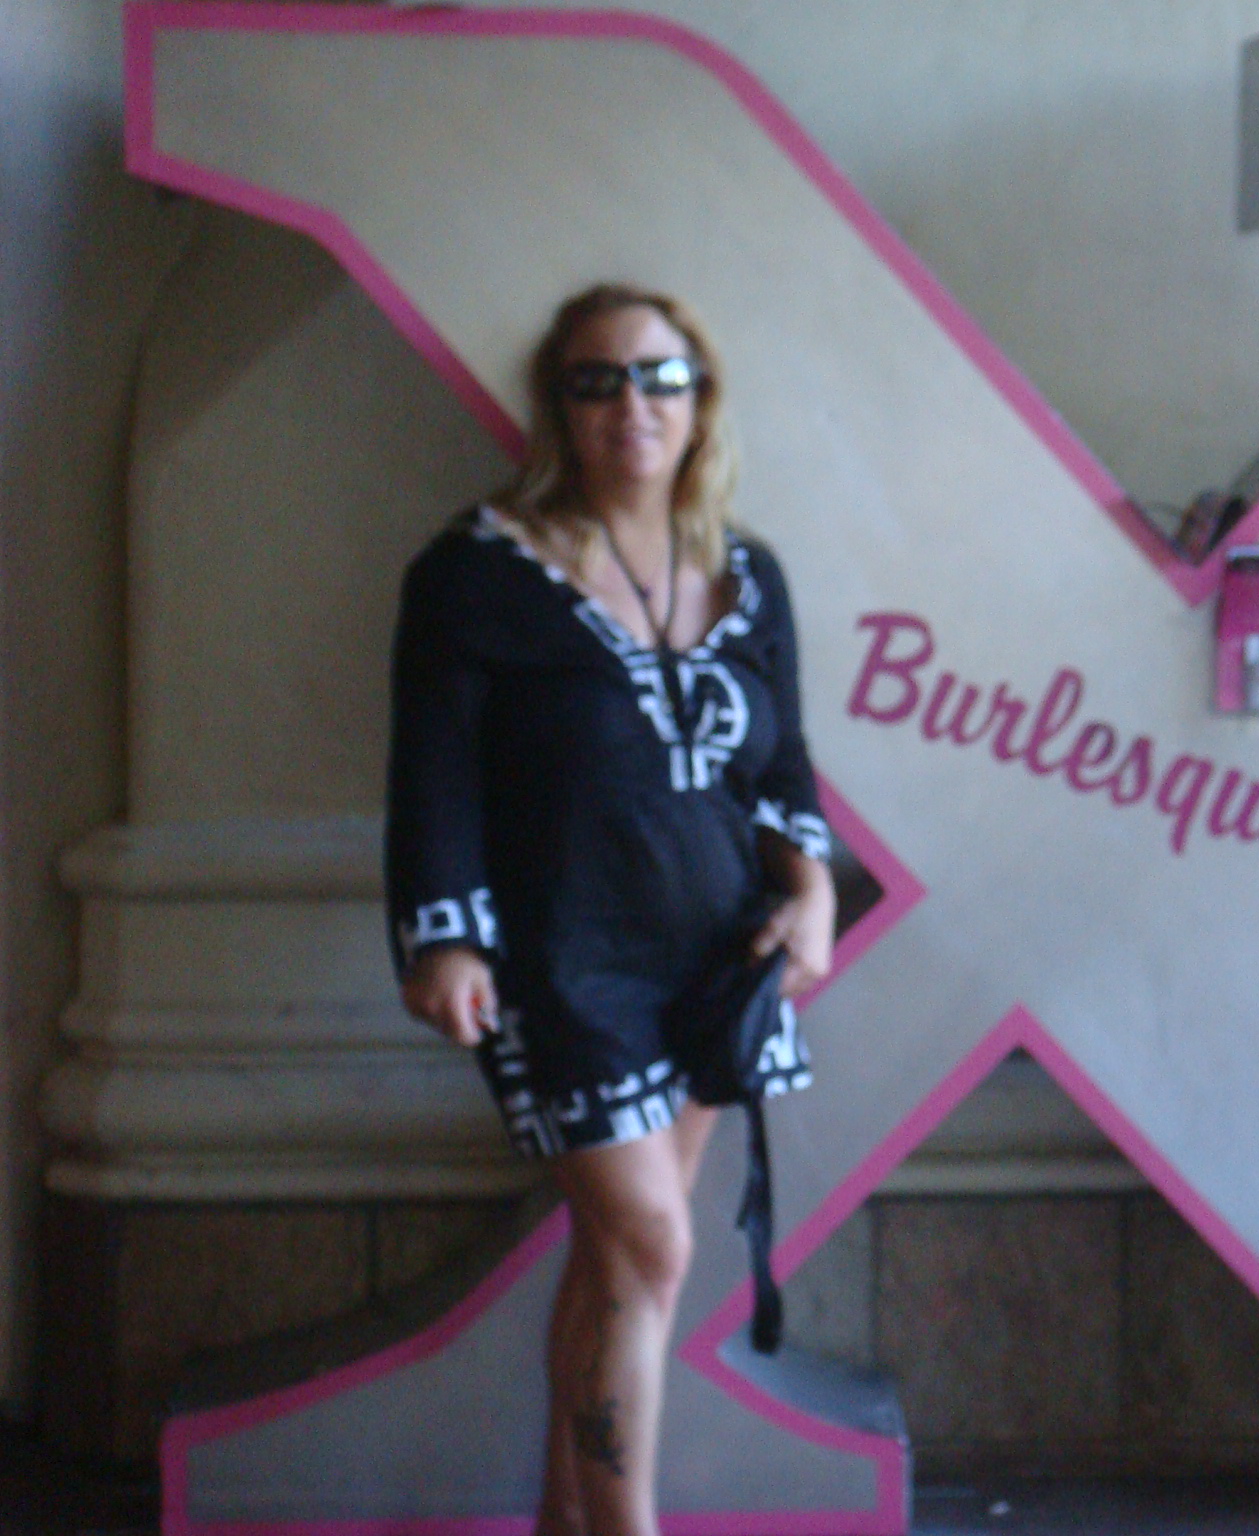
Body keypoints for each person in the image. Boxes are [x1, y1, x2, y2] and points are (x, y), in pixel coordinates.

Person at [384, 283, 835, 1536]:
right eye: (596, 381)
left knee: (617, 1262)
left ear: (700, 400)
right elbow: (432, 776)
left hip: (715, 958)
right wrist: (445, 938)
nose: (630, 404)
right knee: (653, 1251)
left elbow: (783, 766)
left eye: (658, 376)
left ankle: (559, 1519)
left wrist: (810, 897)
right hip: (562, 964)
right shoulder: (474, 573)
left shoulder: (750, 575)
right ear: (558, 407)